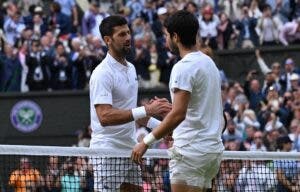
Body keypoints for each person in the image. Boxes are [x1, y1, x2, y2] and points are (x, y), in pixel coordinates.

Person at [131, 10, 224, 192]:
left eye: (166, 35)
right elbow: (194, 109)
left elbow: (179, 115)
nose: (165, 39)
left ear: (175, 37)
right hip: (211, 153)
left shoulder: (182, 67)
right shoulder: (209, 63)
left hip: (191, 153)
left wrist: (145, 142)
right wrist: (171, 110)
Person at [89, 15, 171, 192]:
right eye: (121, 34)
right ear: (107, 40)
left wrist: (162, 129)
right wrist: (147, 109)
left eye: (128, 32)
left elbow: (135, 115)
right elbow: (104, 116)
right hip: (107, 151)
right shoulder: (101, 73)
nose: (128, 37)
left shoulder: (132, 68)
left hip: (130, 147)